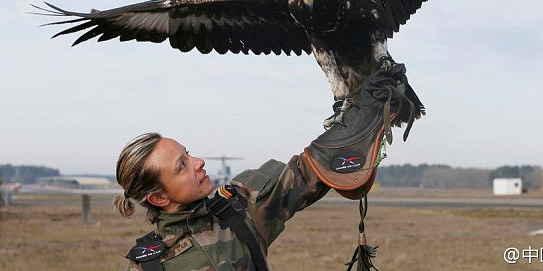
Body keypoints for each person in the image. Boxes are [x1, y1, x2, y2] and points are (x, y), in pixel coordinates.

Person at [113, 65, 421, 271]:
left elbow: (308, 170)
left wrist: (363, 115)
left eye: (189, 154)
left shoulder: (239, 207)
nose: (198, 162)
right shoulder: (148, 265)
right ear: (158, 198)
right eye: (182, 165)